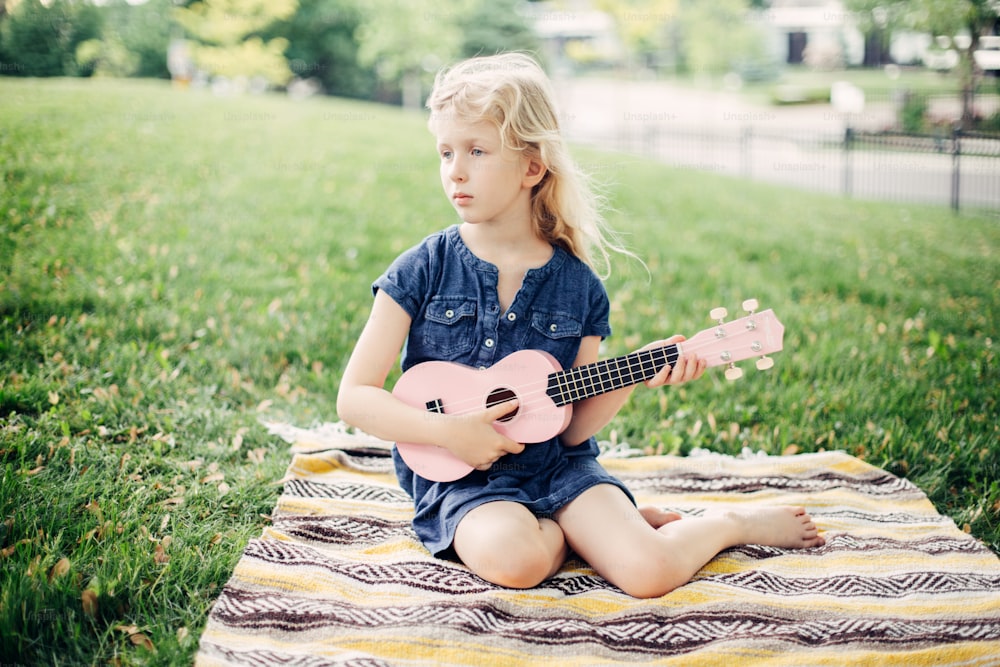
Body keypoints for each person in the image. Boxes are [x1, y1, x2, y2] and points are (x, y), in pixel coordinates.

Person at [337, 53, 825, 599]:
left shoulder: (578, 285)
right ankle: (578, 540)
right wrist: (447, 432)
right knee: (514, 560)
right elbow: (355, 397)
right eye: (446, 152)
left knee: (650, 575)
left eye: (477, 151)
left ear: (531, 167)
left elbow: (572, 427)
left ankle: (728, 525)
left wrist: (638, 374)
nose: (455, 169)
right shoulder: (423, 267)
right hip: (464, 479)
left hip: (560, 470)